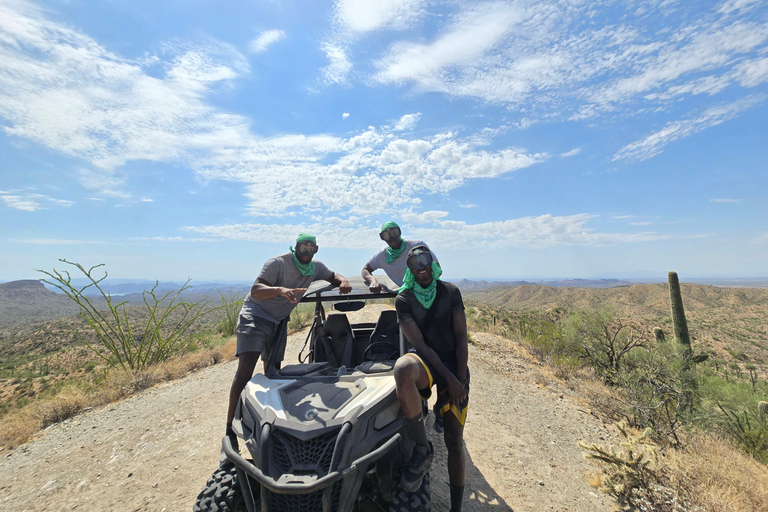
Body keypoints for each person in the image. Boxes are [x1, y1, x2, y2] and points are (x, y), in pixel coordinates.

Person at [225, 234, 352, 450]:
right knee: (244, 373)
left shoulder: (315, 267)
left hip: (279, 321)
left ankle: (271, 426)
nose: (306, 252)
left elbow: (333, 275)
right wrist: (280, 290)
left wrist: (343, 281)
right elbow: (256, 290)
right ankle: (229, 430)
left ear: (316, 250)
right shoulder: (278, 264)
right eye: (303, 247)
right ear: (295, 247)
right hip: (256, 315)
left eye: (311, 248)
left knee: (274, 374)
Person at [393, 246, 469, 512]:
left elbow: (461, 337)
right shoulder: (404, 299)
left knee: (454, 442)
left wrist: (458, 379)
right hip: (426, 361)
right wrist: (447, 378)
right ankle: (423, 449)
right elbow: (421, 345)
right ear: (409, 268)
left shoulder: (450, 292)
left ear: (433, 263)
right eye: (414, 261)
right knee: (402, 368)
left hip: (454, 364)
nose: (421, 266)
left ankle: (455, 508)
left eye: (425, 259)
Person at [361, 221, 439, 291]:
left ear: (400, 232)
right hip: (407, 294)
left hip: (431, 290)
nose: (392, 238)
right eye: (386, 235)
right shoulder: (382, 256)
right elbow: (365, 270)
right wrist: (373, 281)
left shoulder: (416, 246)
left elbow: (437, 268)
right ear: (382, 238)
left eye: (394, 233)